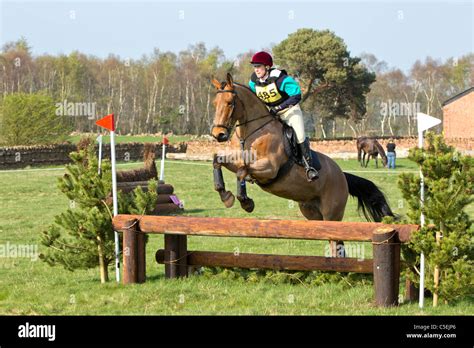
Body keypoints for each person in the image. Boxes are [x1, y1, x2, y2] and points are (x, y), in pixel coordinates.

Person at [248, 51, 319, 181]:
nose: (256, 69)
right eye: (255, 66)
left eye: (259, 66)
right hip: (270, 114)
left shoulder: (281, 79)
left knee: (300, 135)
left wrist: (279, 108)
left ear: (267, 67)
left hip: (289, 111)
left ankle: (309, 167)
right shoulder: (253, 82)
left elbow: (296, 95)